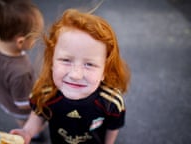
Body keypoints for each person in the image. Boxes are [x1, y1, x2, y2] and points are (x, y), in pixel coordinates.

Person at [10, 9, 130, 144]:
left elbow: (112, 127)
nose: (75, 75)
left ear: (105, 71)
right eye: (66, 60)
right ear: (52, 61)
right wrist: (27, 132)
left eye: (89, 64)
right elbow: (39, 115)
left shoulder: (111, 102)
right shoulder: (45, 93)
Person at [0, 0, 44, 129]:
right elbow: (23, 104)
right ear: (20, 41)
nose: (36, 40)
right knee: (28, 122)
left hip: (5, 100)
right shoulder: (21, 71)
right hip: (21, 110)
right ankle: (35, 134)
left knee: (19, 121)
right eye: (34, 37)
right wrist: (42, 99)